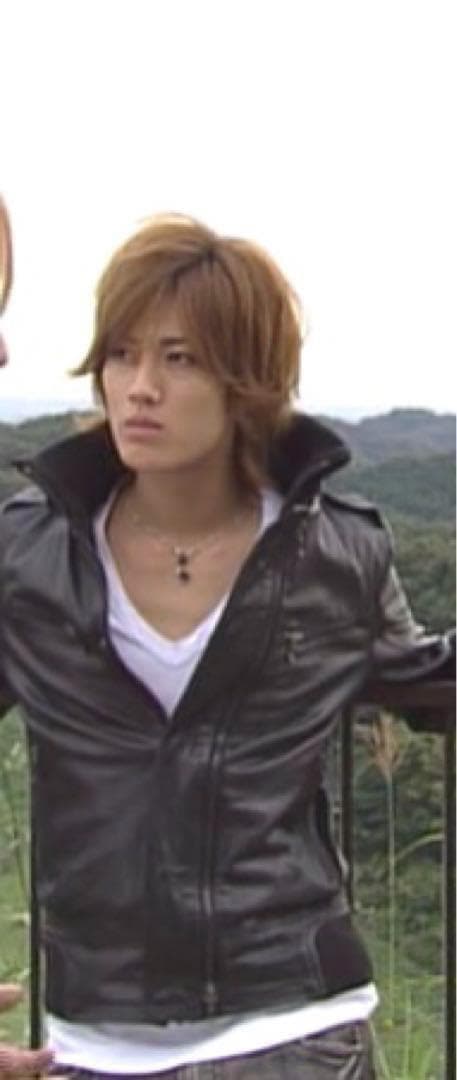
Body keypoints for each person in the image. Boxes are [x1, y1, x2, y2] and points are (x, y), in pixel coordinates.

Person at [0, 212, 453, 1079]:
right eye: (122, 354)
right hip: (92, 1042)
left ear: (248, 381)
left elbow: (416, 670)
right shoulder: (29, 553)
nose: (139, 388)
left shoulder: (333, 552)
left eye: (179, 359)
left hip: (297, 1028)